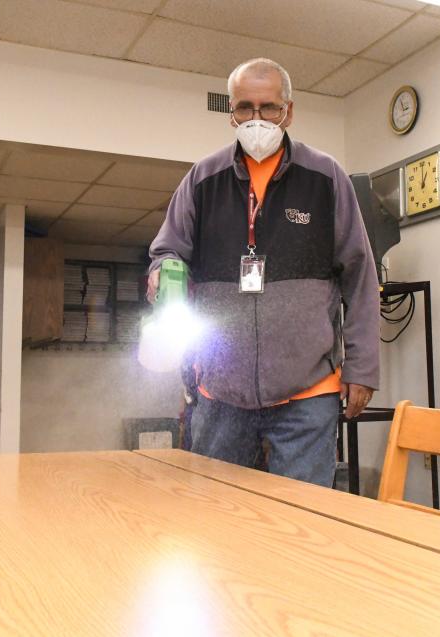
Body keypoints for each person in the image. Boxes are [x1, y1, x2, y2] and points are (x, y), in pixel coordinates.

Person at [147, 58, 380, 487]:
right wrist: (163, 269)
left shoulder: (325, 177)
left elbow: (361, 276)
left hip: (307, 393)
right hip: (221, 392)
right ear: (231, 112)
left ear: (288, 111)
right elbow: (166, 250)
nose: (257, 119)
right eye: (245, 108)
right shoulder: (202, 178)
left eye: (269, 108)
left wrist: (362, 370)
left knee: (302, 520)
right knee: (217, 515)